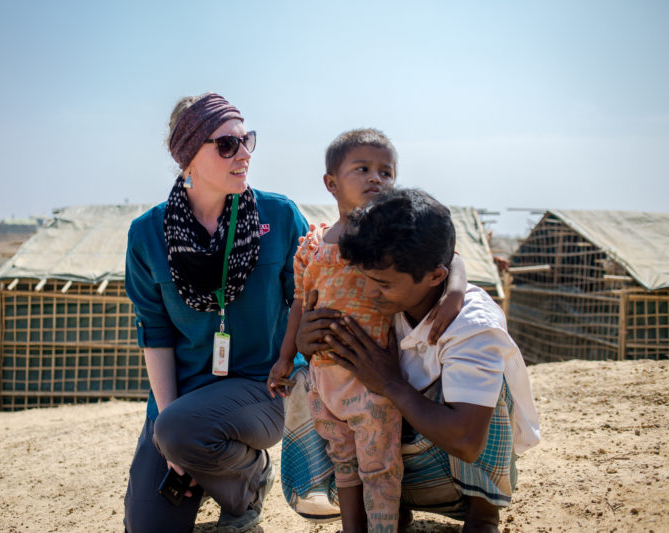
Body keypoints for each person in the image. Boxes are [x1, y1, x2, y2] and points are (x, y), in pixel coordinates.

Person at [296, 188, 540, 532]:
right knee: (313, 385)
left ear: (435, 277)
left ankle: (482, 515)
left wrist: (389, 383)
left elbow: (467, 442)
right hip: (389, 463)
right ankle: (390, 513)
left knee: (487, 390)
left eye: (381, 283)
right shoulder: (386, 290)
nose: (366, 292)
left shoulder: (472, 324)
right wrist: (306, 344)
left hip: (450, 472)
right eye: (363, 278)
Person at [123, 92, 308, 533]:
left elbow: (308, 299)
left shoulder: (279, 216)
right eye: (227, 145)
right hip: (181, 403)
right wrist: (169, 433)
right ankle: (202, 458)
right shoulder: (147, 234)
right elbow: (155, 333)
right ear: (188, 156)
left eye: (248, 140)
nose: (243, 154)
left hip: (260, 390)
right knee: (147, 526)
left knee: (184, 430)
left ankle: (247, 479)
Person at [267, 130, 468, 533]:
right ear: (331, 183)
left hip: (374, 378)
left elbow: (449, 254)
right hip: (325, 379)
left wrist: (456, 292)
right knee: (345, 462)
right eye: (363, 169)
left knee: (379, 465)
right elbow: (300, 304)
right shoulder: (311, 247)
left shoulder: (388, 243)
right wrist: (286, 357)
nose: (377, 179)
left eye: (386, 172)